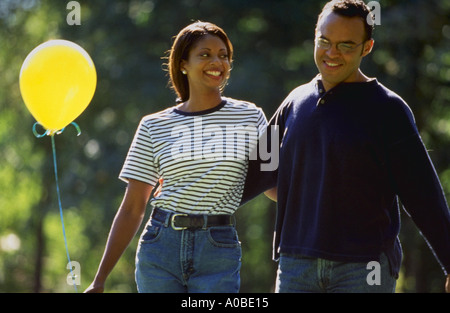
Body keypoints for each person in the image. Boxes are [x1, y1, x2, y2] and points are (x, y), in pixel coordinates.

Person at [242, 0, 450, 293]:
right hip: (296, 265)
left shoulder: (388, 110)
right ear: (315, 35)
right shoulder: (295, 102)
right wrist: (184, 192)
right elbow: (254, 170)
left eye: (346, 45)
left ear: (367, 47)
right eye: (324, 41)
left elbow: (423, 195)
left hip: (364, 268)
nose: (332, 53)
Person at [85, 21, 267, 293]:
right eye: (205, 54)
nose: (217, 61)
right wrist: (99, 281)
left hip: (218, 247)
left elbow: (276, 182)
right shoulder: (153, 125)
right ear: (183, 64)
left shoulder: (252, 117)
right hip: (160, 245)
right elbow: (133, 207)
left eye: (223, 55)